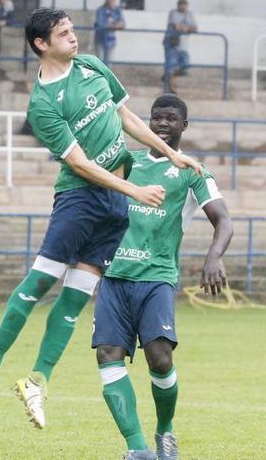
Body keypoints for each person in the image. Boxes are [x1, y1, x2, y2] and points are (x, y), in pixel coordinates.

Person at [0, 8, 201, 429]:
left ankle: (37, 379)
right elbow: (79, 164)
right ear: (42, 44)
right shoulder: (42, 105)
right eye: (63, 33)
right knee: (42, 280)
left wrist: (171, 153)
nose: (73, 38)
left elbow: (126, 116)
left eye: (72, 30)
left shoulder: (91, 64)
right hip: (81, 199)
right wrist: (133, 190)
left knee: (76, 296)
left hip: (112, 205)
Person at [94, 94, 232, 460]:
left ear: (184, 126)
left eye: (171, 119)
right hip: (114, 274)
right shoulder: (128, 162)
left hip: (156, 277)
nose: (162, 124)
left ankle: (165, 431)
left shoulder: (191, 170)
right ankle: (137, 448)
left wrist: (213, 257)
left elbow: (224, 219)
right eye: (156, 118)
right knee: (108, 354)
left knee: (161, 359)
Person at [163, 0, 196, 94]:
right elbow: (176, 26)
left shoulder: (189, 14)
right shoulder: (173, 13)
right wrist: (186, 28)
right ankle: (171, 89)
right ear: (178, 5)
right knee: (171, 67)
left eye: (184, 5)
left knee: (185, 66)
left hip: (183, 46)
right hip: (172, 44)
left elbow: (195, 28)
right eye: (181, 4)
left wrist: (185, 28)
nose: (183, 6)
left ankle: (167, 78)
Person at [93, 0, 124, 66]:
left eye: (112, 0)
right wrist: (115, 25)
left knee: (108, 65)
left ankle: (106, 78)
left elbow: (123, 24)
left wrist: (112, 25)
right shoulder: (100, 10)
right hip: (100, 40)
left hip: (111, 41)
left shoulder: (117, 11)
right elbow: (101, 24)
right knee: (99, 64)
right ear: (106, 0)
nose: (111, 1)